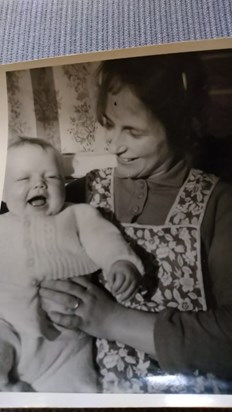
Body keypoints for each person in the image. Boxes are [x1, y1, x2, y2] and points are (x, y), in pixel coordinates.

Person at [40, 55, 232, 393]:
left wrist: (110, 319)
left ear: (180, 125)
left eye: (132, 130)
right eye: (108, 124)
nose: (113, 145)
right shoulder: (86, 191)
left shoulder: (218, 204)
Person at [0, 137, 144, 392]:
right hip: (7, 322)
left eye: (52, 177)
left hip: (64, 333)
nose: (39, 183)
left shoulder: (78, 214)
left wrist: (120, 261)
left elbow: (103, 238)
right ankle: (9, 391)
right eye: (23, 179)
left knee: (73, 383)